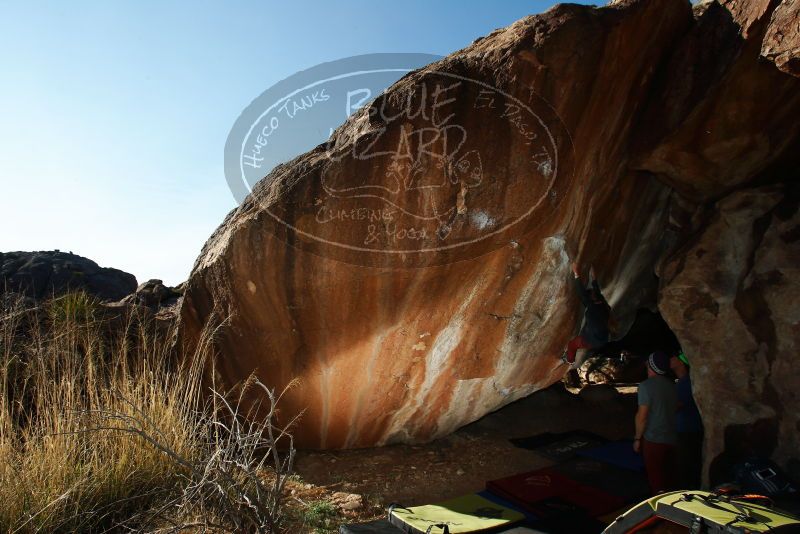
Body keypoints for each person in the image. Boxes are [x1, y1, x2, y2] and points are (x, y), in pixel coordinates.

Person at [634, 351, 677, 494]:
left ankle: (659, 508)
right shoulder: (672, 385)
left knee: (656, 478)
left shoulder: (646, 386)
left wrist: (637, 439)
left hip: (654, 439)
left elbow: (642, 416)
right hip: (672, 438)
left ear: (650, 366)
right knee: (669, 476)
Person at [560, 262, 611, 370]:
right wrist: (593, 277)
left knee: (572, 345)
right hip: (602, 338)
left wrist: (576, 274)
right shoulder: (602, 303)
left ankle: (569, 360)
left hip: (591, 340)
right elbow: (597, 290)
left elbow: (581, 292)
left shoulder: (591, 306)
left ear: (591, 298)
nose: (592, 292)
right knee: (586, 332)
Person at [670, 351, 703, 489]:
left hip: (688, 432)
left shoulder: (686, 383)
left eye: (675, 356)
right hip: (688, 429)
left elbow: (677, 406)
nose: (671, 358)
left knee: (687, 466)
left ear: (682, 363)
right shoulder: (684, 382)